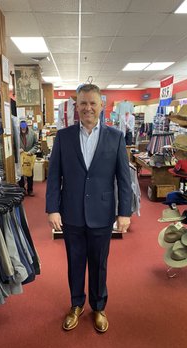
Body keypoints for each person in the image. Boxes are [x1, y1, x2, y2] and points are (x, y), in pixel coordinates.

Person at [46, 84, 132, 333]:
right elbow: (53, 177)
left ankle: (98, 306)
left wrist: (124, 212)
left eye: (93, 103)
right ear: (76, 106)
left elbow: (123, 179)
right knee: (74, 262)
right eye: (83, 103)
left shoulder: (116, 137)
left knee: (98, 263)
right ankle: (76, 305)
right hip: (71, 212)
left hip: (102, 214)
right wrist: (53, 208)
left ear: (101, 105)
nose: (88, 108)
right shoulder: (63, 137)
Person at [18, 120, 38, 196]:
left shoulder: (32, 133)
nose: (23, 128)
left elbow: (36, 145)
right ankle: (22, 190)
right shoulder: (17, 133)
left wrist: (31, 151)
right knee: (21, 174)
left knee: (30, 174)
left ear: (26, 126)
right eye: (21, 127)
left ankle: (30, 190)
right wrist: (18, 149)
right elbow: (13, 144)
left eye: (24, 127)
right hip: (20, 156)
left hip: (29, 156)